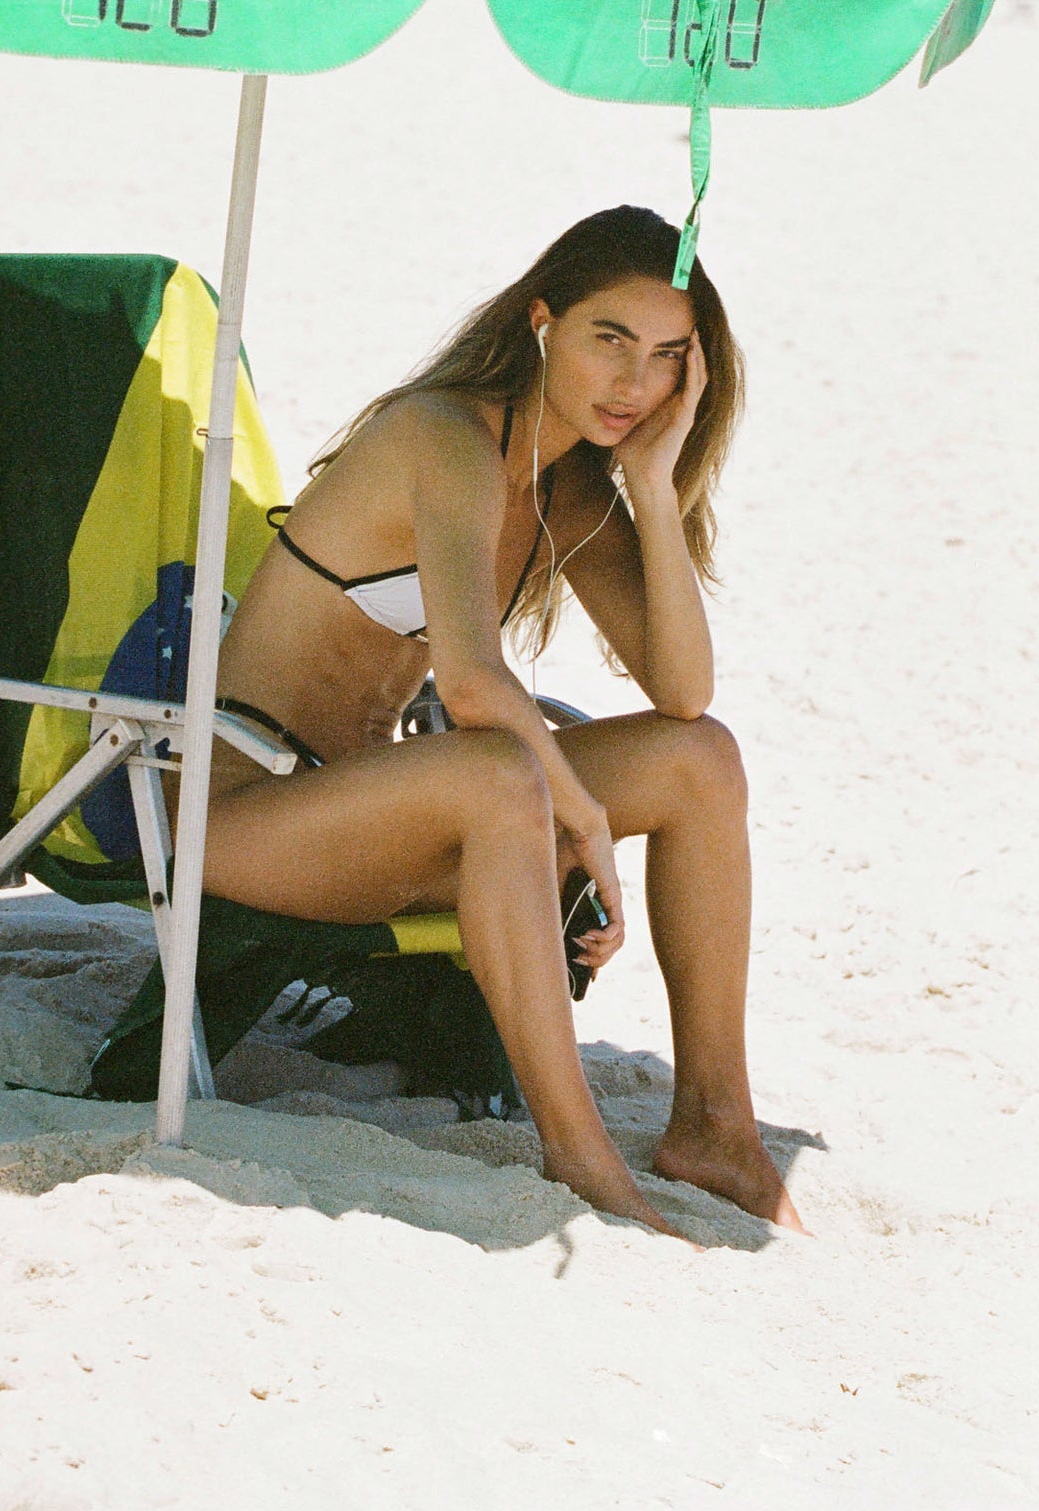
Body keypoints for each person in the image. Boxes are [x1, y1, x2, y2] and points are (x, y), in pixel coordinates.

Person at [197, 206, 803, 1237]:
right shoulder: (447, 436)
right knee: (495, 767)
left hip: (382, 814)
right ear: (541, 322)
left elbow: (684, 693)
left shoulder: (569, 489)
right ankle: (580, 1158)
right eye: (608, 340)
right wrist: (585, 823)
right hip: (241, 813)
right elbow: (474, 684)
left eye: (666, 359)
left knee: (704, 760)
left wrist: (652, 493)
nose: (631, 383)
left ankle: (715, 1124)